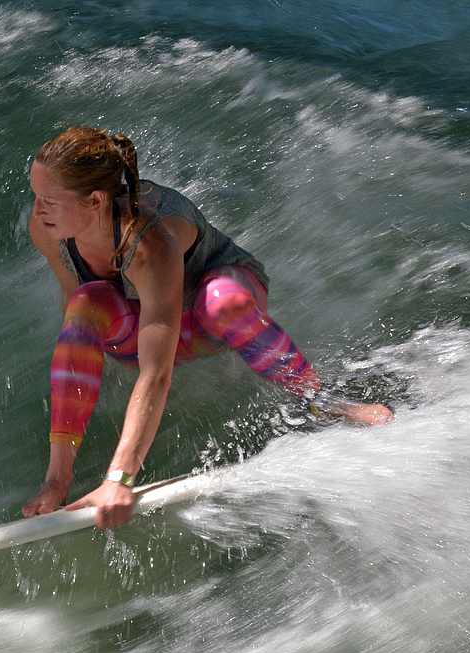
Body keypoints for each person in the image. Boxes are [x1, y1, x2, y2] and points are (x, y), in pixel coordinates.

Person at [21, 126, 393, 532]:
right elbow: (77, 314)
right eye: (35, 197)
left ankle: (326, 401)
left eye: (49, 201)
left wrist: (119, 481)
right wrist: (79, 383)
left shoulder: (149, 244)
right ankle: (59, 479)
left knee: (222, 302)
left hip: (210, 320)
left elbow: (156, 373)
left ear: (94, 201)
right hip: (141, 327)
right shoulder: (49, 231)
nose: (37, 211)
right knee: (84, 304)